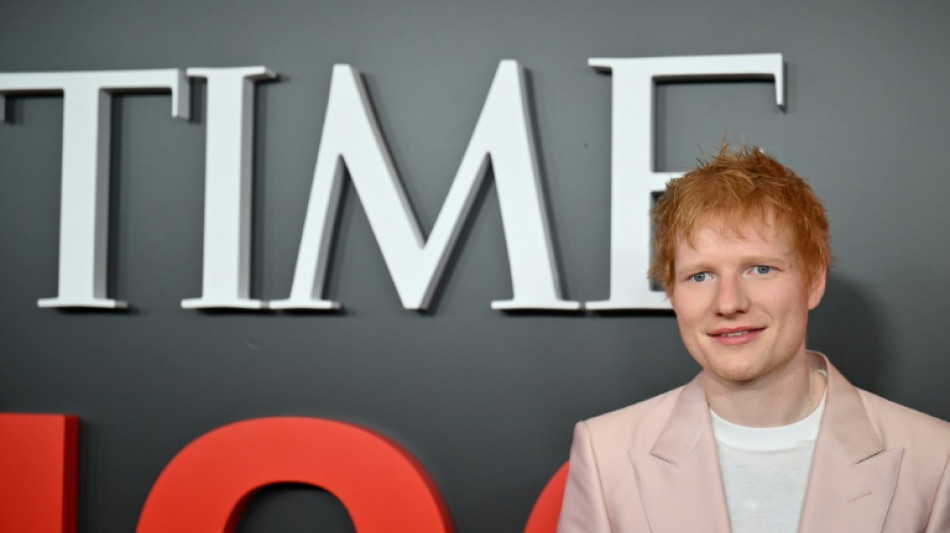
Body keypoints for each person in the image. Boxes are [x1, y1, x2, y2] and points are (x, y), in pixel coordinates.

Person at [557, 144, 950, 532]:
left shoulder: (935, 459)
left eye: (760, 269)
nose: (728, 303)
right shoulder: (603, 453)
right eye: (700, 276)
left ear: (814, 280)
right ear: (673, 294)